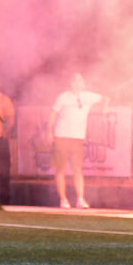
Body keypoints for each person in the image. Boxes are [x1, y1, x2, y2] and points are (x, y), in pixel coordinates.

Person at [49, 73, 105, 209]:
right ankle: (63, 200)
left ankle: (80, 199)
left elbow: (106, 98)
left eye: (81, 79)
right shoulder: (63, 97)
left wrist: (105, 109)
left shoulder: (88, 96)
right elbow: (53, 114)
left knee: (77, 169)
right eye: (77, 80)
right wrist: (49, 132)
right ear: (71, 83)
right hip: (62, 136)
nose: (80, 82)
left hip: (78, 138)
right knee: (61, 169)